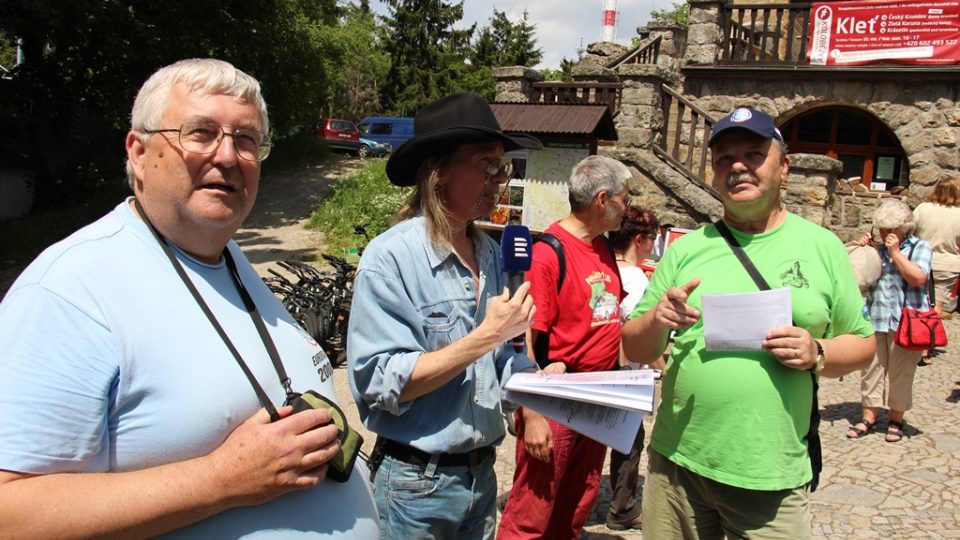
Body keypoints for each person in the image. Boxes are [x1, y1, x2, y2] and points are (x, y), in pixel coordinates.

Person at [0, 58, 379, 538]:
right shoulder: (71, 290)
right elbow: (8, 512)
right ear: (138, 152)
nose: (227, 156)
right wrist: (220, 481)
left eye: (246, 140)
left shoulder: (226, 256)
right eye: (200, 132)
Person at [621, 107, 875, 539]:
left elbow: (864, 344)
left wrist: (818, 352)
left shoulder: (823, 247)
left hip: (769, 472)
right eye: (724, 159)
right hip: (679, 463)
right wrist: (659, 320)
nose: (737, 166)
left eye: (754, 154)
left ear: (785, 168)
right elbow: (634, 346)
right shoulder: (686, 249)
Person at [346, 92, 541, 539]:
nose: (500, 180)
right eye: (487, 165)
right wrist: (484, 337)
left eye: (504, 166)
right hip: (416, 485)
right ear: (439, 174)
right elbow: (378, 383)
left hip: (482, 477)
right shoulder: (390, 257)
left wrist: (538, 385)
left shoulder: (491, 254)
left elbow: (500, 363)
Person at [497, 154, 629, 540]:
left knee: (577, 506)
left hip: (599, 398)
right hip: (557, 398)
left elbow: (610, 319)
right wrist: (532, 413)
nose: (629, 206)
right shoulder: (547, 253)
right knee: (531, 513)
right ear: (602, 200)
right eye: (625, 197)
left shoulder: (602, 248)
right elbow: (525, 341)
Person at [846, 200, 932, 443]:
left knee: (901, 373)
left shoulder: (920, 248)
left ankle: (896, 419)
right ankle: (869, 417)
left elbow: (918, 278)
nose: (885, 234)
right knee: (870, 370)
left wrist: (896, 254)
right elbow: (855, 278)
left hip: (906, 322)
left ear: (904, 228)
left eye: (890, 229)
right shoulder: (877, 249)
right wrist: (861, 250)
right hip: (875, 318)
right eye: (881, 228)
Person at [604, 205, 663, 531]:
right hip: (624, 372)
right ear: (640, 239)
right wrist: (664, 367)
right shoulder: (638, 280)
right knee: (629, 439)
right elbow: (641, 330)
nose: (654, 245)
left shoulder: (601, 265)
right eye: (653, 238)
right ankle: (623, 507)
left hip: (593, 367)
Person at [911, 175, 960, 365]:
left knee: (916, 302)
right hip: (948, 263)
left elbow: (910, 230)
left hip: (920, 259)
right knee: (936, 306)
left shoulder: (923, 209)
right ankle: (925, 347)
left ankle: (913, 339)